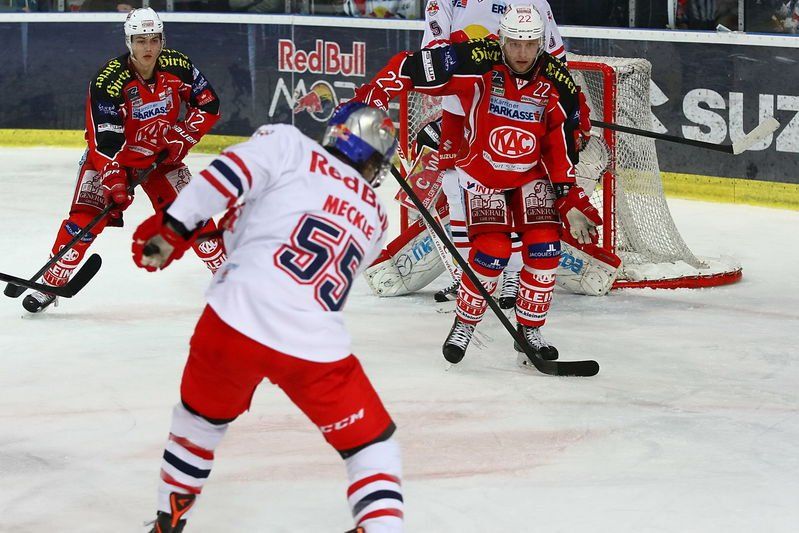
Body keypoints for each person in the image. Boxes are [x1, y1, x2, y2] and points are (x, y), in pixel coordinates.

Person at [131, 102, 404, 533]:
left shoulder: (289, 144)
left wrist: (176, 226)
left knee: (197, 424)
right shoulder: (377, 216)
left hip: (233, 319)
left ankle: (170, 519)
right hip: (314, 342)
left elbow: (226, 177)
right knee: (372, 448)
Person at [353, 5, 602, 365]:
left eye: (529, 44)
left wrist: (569, 197)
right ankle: (465, 325)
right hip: (484, 172)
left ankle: (529, 330)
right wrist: (368, 102)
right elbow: (409, 67)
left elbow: (559, 143)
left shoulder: (556, 79)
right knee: (491, 251)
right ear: (501, 39)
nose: (521, 53)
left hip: (531, 174)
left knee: (546, 248)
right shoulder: (477, 59)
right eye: (514, 43)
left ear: (540, 43)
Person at [22, 8, 225, 313]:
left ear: (162, 40)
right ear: (129, 42)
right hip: (113, 159)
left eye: (154, 39)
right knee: (84, 222)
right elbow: (104, 140)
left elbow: (208, 104)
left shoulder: (179, 66)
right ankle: (50, 283)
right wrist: (115, 178)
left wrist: (181, 137)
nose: (148, 47)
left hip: (161, 158)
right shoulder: (109, 81)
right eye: (141, 40)